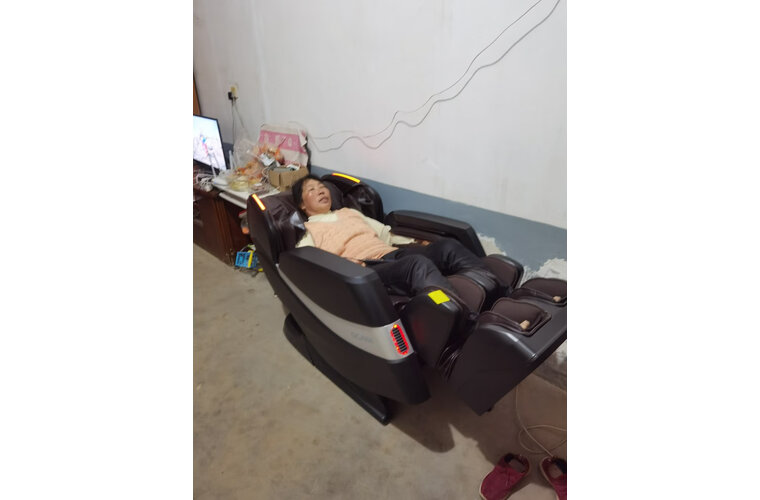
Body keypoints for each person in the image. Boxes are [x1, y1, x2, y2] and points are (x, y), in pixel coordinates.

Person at [291, 174, 500, 303]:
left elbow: (386, 233)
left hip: (392, 254)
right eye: (312, 190)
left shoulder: (349, 212)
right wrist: (344, 268)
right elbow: (307, 265)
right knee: (417, 265)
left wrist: (417, 242)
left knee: (447, 247)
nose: (320, 191)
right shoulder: (310, 232)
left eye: (322, 187)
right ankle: (457, 312)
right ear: (302, 204)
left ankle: (496, 290)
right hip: (368, 269)